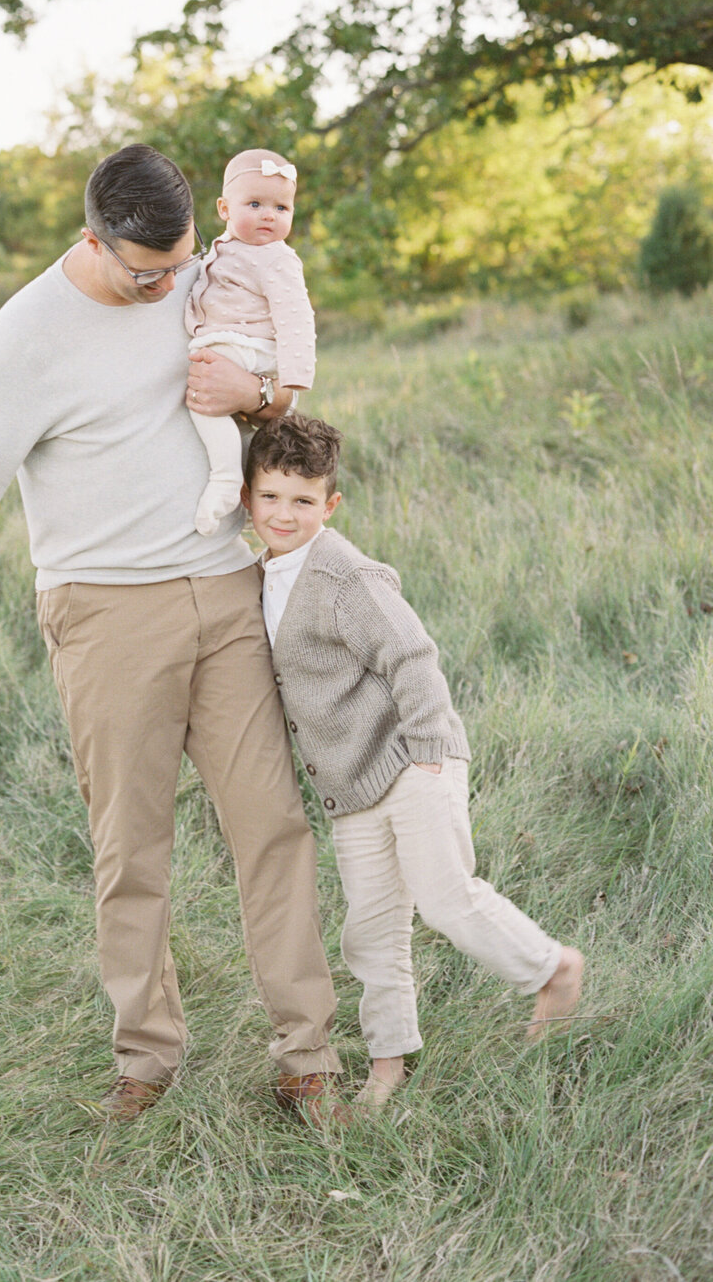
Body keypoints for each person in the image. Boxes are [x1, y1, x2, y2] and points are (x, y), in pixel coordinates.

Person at [0, 143, 343, 1124]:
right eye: (146, 272)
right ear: (93, 239)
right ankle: (148, 1056)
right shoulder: (25, 336)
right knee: (133, 845)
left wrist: (254, 398)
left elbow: (278, 386)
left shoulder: (204, 276)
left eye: (181, 261)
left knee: (273, 826)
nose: (169, 285)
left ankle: (308, 1055)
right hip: (107, 611)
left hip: (227, 591)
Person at [242, 415, 585, 1108]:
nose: (285, 513)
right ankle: (389, 1063)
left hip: (412, 763)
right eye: (272, 497)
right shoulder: (262, 575)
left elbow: (411, 654)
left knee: (445, 897)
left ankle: (552, 969)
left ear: (329, 505)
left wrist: (430, 751)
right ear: (248, 498)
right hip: (352, 788)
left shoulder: (344, 575)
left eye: (303, 500)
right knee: (370, 931)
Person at [185, 148, 316, 536]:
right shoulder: (225, 248)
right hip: (232, 342)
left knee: (203, 392)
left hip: (245, 345)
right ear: (224, 208)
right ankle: (244, 486)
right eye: (255, 204)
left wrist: (294, 378)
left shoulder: (277, 258)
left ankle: (225, 479)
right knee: (229, 416)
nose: (268, 215)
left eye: (281, 208)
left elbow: (296, 319)